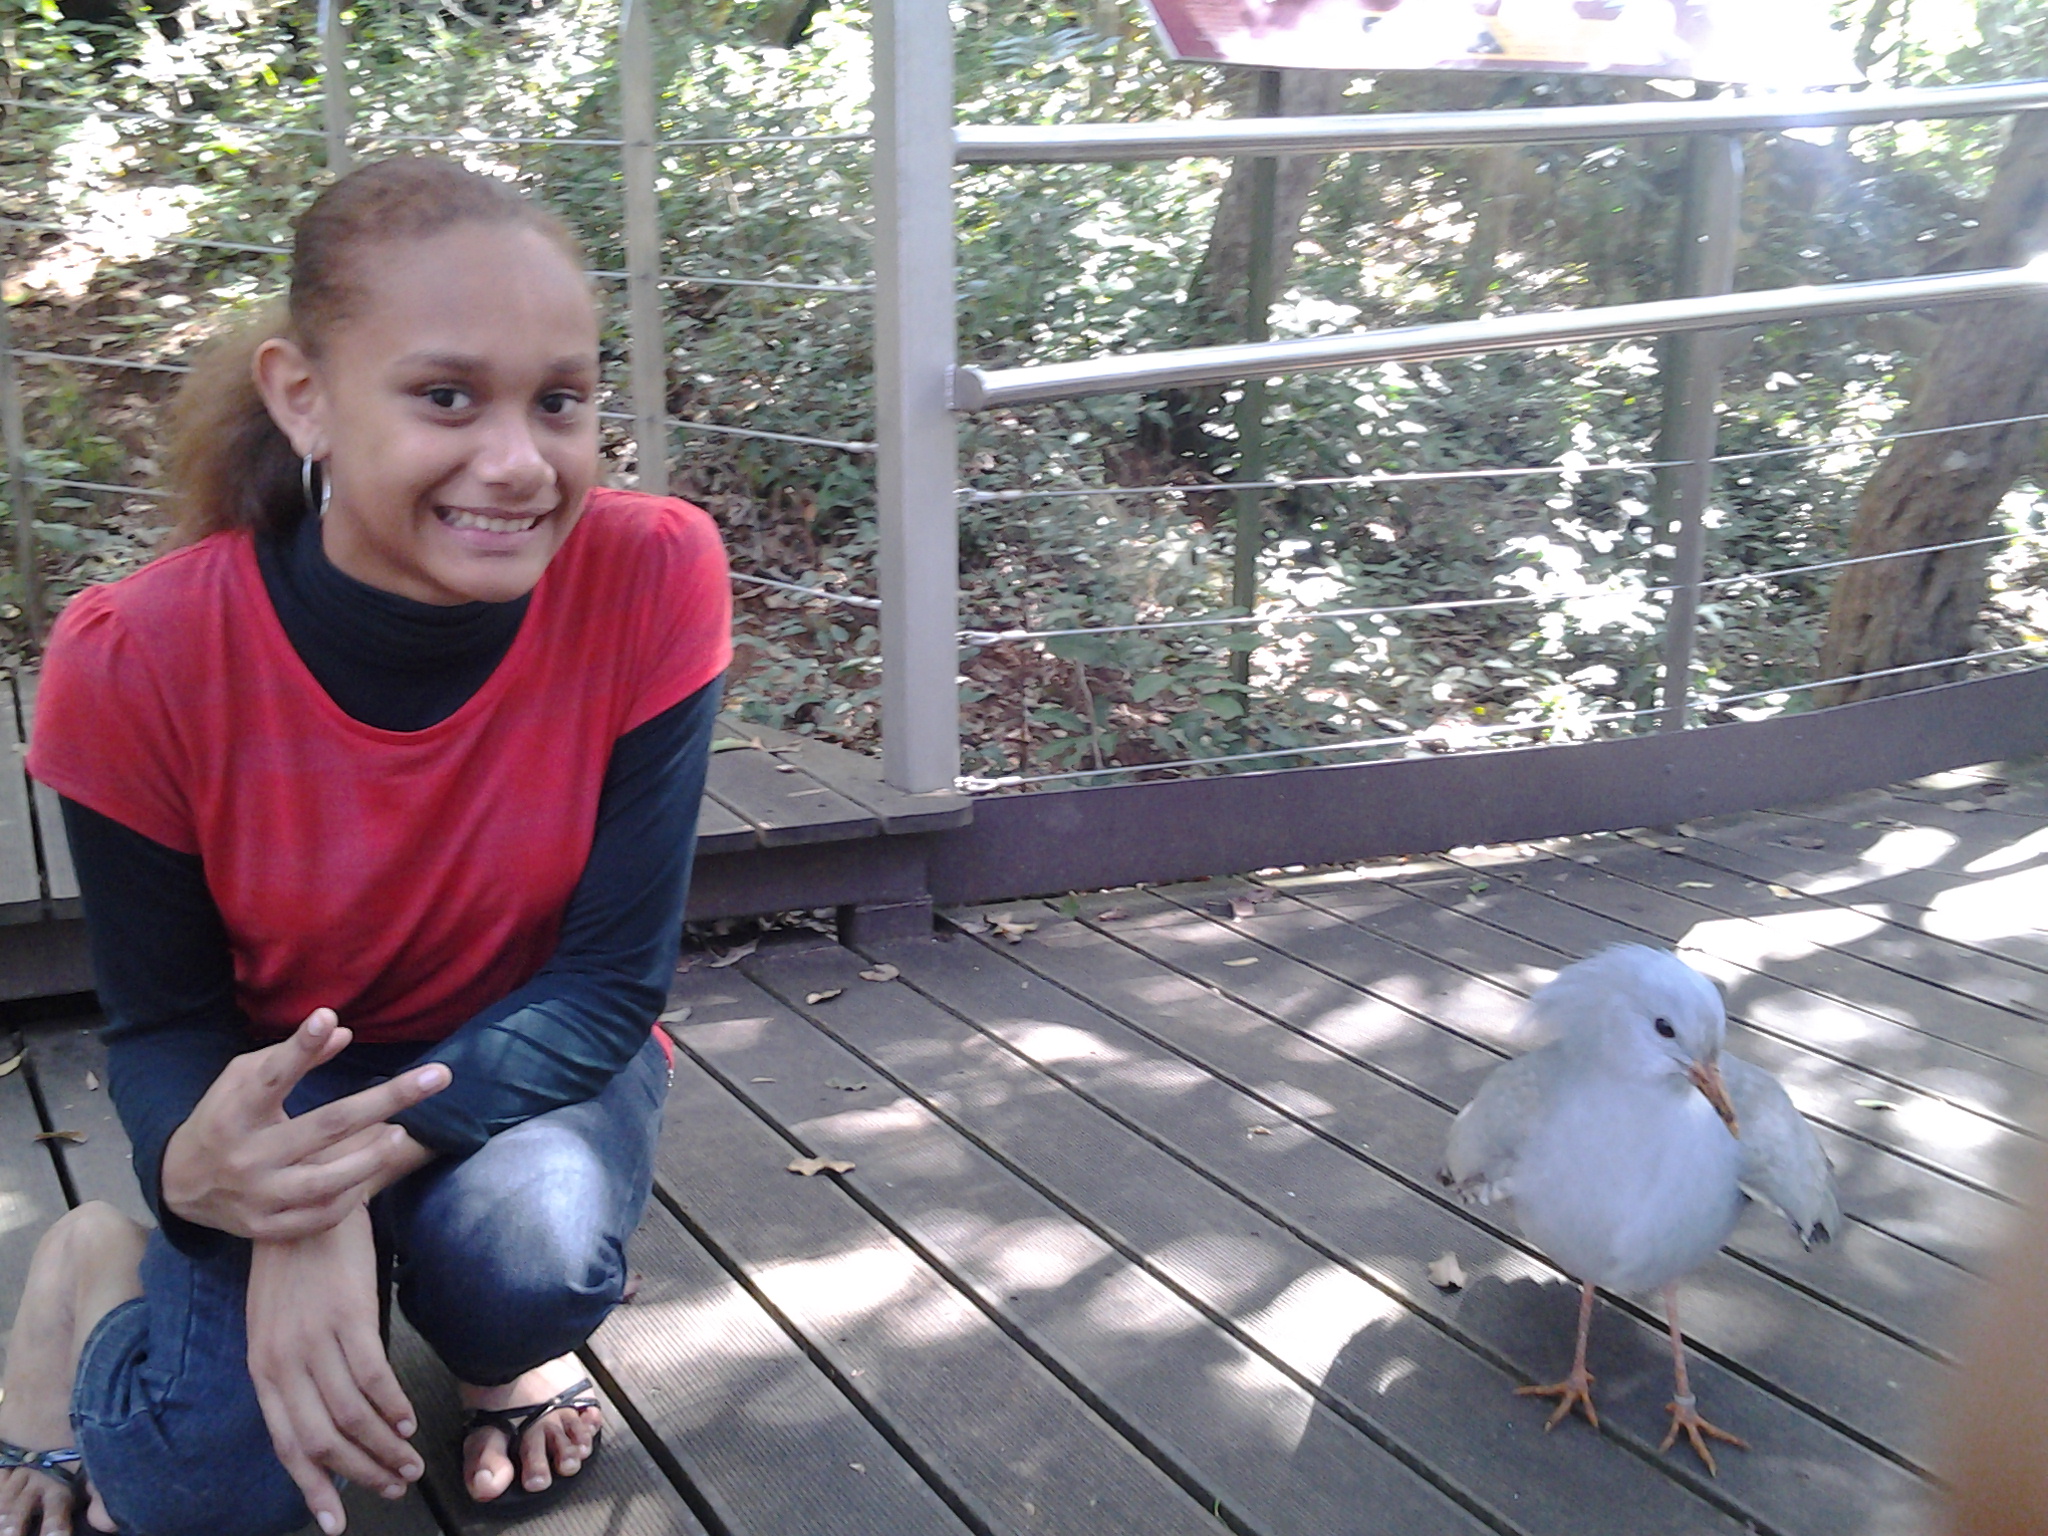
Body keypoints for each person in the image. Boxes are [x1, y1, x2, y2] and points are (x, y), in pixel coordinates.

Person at [0, 154, 731, 1536]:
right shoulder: (137, 655)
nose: (519, 462)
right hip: (276, 1084)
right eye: (446, 396)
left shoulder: (650, 574)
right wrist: (254, 1189)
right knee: (202, 1494)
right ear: (303, 398)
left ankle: (498, 1345)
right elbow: (163, 1028)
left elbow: (609, 985)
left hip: (531, 1053)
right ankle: (90, 1271)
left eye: (560, 401)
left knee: (529, 1261)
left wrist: (344, 1176)